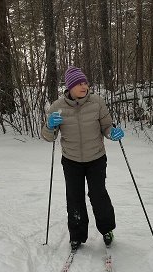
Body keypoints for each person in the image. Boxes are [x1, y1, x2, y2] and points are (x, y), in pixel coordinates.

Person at [41, 66, 124, 250]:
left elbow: (107, 126)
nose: (84, 86)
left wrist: (112, 133)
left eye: (85, 82)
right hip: (71, 161)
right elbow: (48, 137)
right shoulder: (57, 107)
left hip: (96, 158)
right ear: (70, 87)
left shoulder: (97, 102)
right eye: (79, 83)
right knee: (74, 198)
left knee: (98, 195)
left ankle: (107, 229)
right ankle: (77, 235)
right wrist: (49, 125)